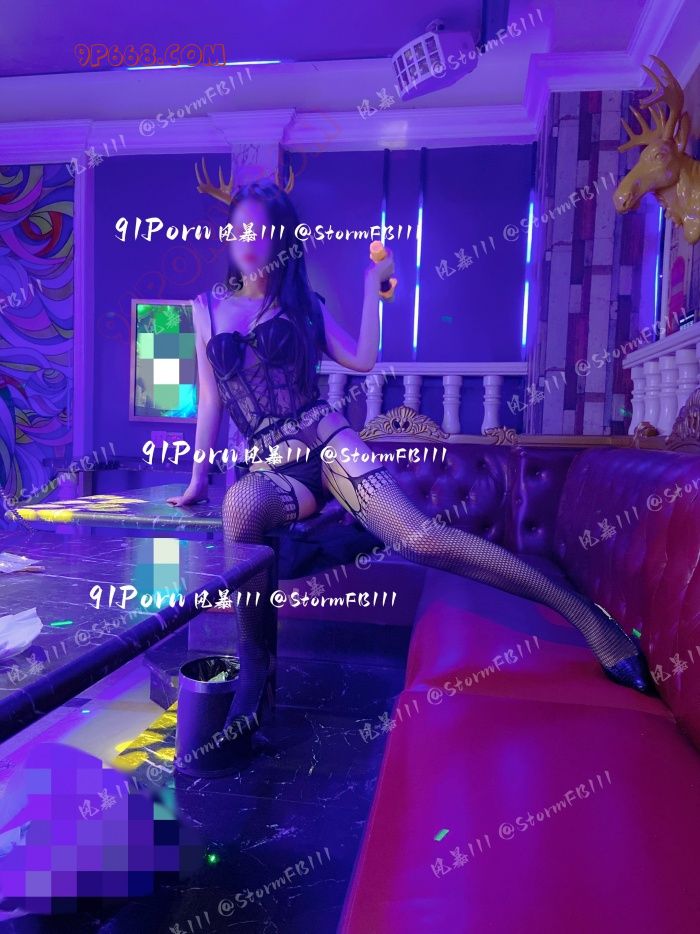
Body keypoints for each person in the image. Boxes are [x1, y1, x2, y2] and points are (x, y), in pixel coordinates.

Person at [167, 180, 653, 753]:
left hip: (328, 439)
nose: (248, 240)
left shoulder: (303, 306)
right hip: (273, 463)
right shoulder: (205, 310)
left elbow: (362, 359)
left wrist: (371, 287)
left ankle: (589, 618)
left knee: (419, 538)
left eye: (261, 229)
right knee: (240, 506)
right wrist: (196, 478)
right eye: (239, 228)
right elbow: (210, 400)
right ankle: (256, 682)